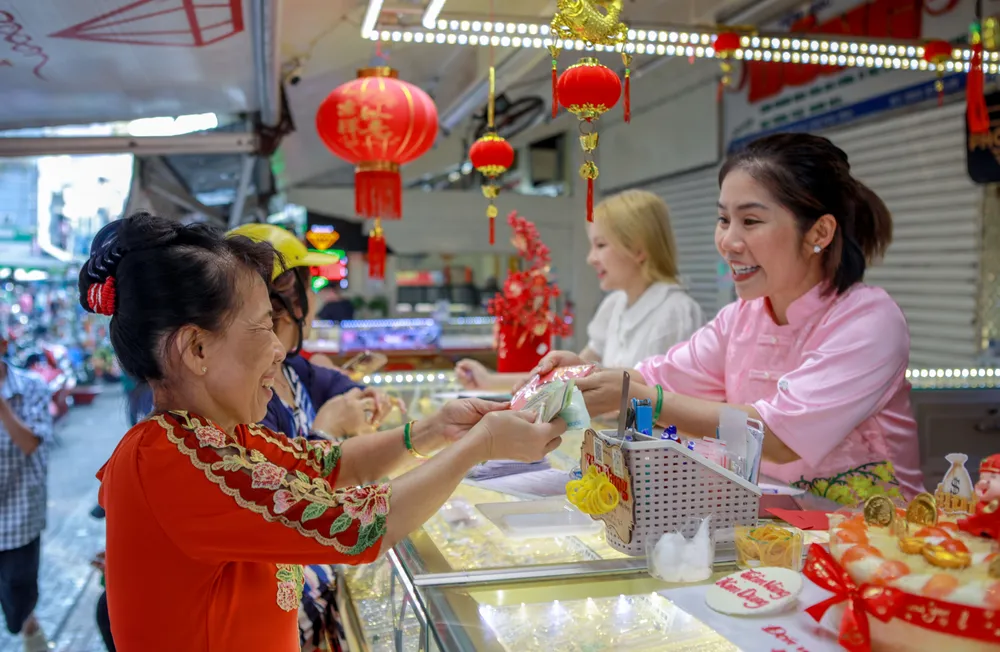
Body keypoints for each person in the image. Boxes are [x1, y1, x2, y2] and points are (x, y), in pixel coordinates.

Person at [84, 213, 565, 652]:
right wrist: (478, 447)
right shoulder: (171, 460)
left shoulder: (215, 436)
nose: (279, 348)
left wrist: (438, 428)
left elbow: (336, 464)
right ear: (196, 348)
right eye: (261, 327)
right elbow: (359, 526)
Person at [528, 133, 924, 504]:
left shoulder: (869, 320)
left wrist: (644, 398)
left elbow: (781, 436)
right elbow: (659, 375)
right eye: (723, 220)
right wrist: (583, 375)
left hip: (872, 535)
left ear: (818, 232)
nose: (728, 242)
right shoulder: (740, 318)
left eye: (750, 221)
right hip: (768, 523)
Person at [228, 223, 394, 651]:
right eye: (310, 285)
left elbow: (338, 386)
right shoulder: (246, 400)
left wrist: (363, 396)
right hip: (282, 616)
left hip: (311, 600)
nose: (318, 298)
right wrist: (329, 430)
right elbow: (286, 503)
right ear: (288, 300)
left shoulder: (293, 369)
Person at [456, 190, 703, 391]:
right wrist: (489, 381)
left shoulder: (677, 311)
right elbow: (570, 376)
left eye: (601, 245)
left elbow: (669, 402)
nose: (591, 258)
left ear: (639, 250)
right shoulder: (615, 304)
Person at [0, 336, 53, 652]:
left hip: (19, 515)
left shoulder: (31, 386)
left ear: (3, 345)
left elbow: (30, 443)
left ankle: (30, 630)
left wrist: (2, 407)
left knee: (19, 590)